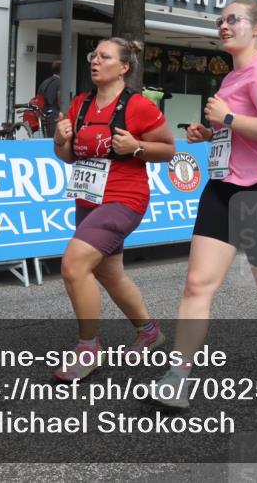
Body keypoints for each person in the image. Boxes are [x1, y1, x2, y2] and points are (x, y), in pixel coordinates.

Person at [151, 0, 257, 409]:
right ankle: (178, 377)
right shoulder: (231, 78)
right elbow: (242, 134)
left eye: (233, 19)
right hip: (224, 189)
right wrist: (209, 135)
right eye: (220, 19)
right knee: (197, 284)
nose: (223, 25)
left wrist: (227, 118)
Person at [51, 38, 176, 382]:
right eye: (94, 55)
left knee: (74, 264)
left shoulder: (138, 106)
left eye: (104, 57)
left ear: (123, 67)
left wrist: (137, 147)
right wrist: (60, 138)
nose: (95, 61)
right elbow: (68, 156)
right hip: (87, 199)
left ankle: (87, 349)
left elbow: (167, 150)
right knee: (109, 273)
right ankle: (149, 331)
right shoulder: (81, 103)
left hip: (123, 199)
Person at [37, 60, 62, 138]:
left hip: (43, 116)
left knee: (46, 140)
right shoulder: (60, 82)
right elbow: (60, 101)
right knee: (55, 141)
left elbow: (38, 99)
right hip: (55, 116)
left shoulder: (44, 82)